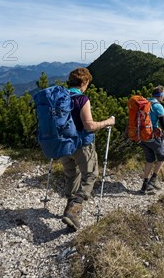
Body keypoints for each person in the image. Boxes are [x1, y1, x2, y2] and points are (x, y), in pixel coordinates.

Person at [60, 67, 115, 231]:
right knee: (91, 175)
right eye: (87, 83)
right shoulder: (82, 99)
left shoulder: (60, 97)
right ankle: (74, 209)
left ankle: (69, 209)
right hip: (81, 144)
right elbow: (89, 125)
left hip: (63, 144)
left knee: (71, 174)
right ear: (84, 82)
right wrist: (108, 122)